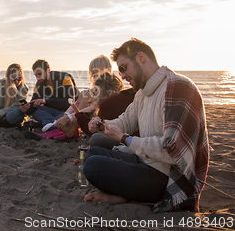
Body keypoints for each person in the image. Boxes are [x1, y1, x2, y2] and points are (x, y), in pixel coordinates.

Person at [84, 38, 209, 213]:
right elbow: (125, 121)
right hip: (147, 161)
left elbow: (173, 152)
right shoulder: (143, 93)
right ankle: (126, 194)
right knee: (92, 153)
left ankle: (129, 196)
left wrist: (125, 139)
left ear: (141, 57)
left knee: (93, 166)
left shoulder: (177, 87)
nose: (122, 75)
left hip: (168, 177)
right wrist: (100, 124)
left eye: (123, 68)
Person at [17, 59, 79, 128]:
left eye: (40, 74)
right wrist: (26, 109)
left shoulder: (65, 78)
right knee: (36, 111)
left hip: (69, 112)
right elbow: (33, 105)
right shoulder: (38, 85)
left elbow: (69, 103)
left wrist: (45, 101)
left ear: (48, 71)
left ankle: (47, 124)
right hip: (53, 112)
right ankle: (52, 124)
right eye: (36, 75)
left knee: (67, 117)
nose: (38, 78)